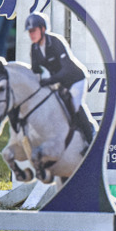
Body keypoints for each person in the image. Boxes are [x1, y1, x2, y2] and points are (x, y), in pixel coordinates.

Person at [25, 12, 94, 143]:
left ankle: (90, 137)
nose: (31, 34)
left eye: (34, 30)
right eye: (29, 32)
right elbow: (34, 69)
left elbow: (66, 69)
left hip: (75, 80)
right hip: (60, 82)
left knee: (74, 106)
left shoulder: (55, 42)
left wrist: (49, 80)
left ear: (43, 29)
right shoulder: (34, 48)